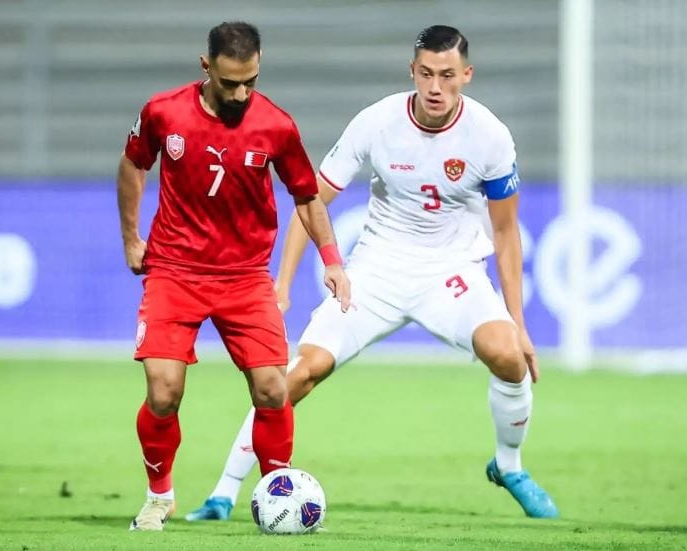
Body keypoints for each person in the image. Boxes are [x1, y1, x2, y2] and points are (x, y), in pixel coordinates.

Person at [185, 24, 558, 521]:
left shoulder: (489, 136)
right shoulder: (377, 122)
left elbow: (506, 233)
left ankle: (509, 467)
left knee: (509, 356)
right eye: (426, 73)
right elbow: (310, 200)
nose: (435, 86)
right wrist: (283, 283)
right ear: (412, 71)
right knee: (297, 374)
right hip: (377, 270)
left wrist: (519, 323)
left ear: (467, 75)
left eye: (447, 75)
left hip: (450, 272)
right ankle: (223, 493)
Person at [117, 21, 352, 532]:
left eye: (252, 81)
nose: (242, 94)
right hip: (175, 270)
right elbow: (133, 165)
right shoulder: (163, 112)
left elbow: (306, 196)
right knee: (163, 391)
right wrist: (132, 237)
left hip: (245, 276)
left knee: (273, 390)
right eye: (230, 83)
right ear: (206, 67)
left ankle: (278, 494)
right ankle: (159, 497)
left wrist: (332, 259)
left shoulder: (276, 125)